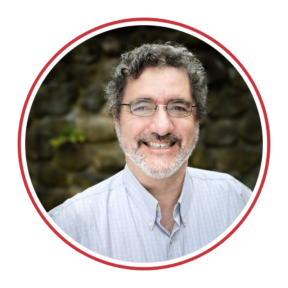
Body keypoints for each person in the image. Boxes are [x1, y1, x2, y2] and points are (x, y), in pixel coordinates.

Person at [47, 42, 253, 264]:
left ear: (197, 118)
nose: (162, 127)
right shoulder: (69, 227)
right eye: (142, 107)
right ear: (117, 118)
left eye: (178, 107)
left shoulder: (238, 202)